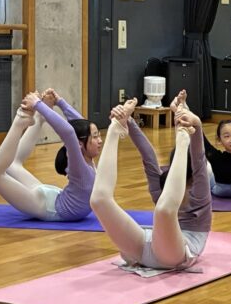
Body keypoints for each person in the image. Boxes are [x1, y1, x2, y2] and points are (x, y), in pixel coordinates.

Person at [90, 97, 211, 271]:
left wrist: (196, 126)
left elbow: (198, 159)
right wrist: (126, 119)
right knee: (98, 200)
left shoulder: (199, 192)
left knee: (164, 210)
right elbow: (147, 155)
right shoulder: (162, 183)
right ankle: (114, 129)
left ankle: (183, 137)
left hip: (178, 252)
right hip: (144, 245)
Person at [0, 89, 101, 220]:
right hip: (44, 206)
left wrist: (60, 103)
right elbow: (69, 132)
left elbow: (81, 126)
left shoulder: (87, 160)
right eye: (95, 136)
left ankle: (38, 118)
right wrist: (38, 104)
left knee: (12, 166)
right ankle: (21, 119)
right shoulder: (79, 165)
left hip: (51, 197)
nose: (100, 140)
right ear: (80, 143)